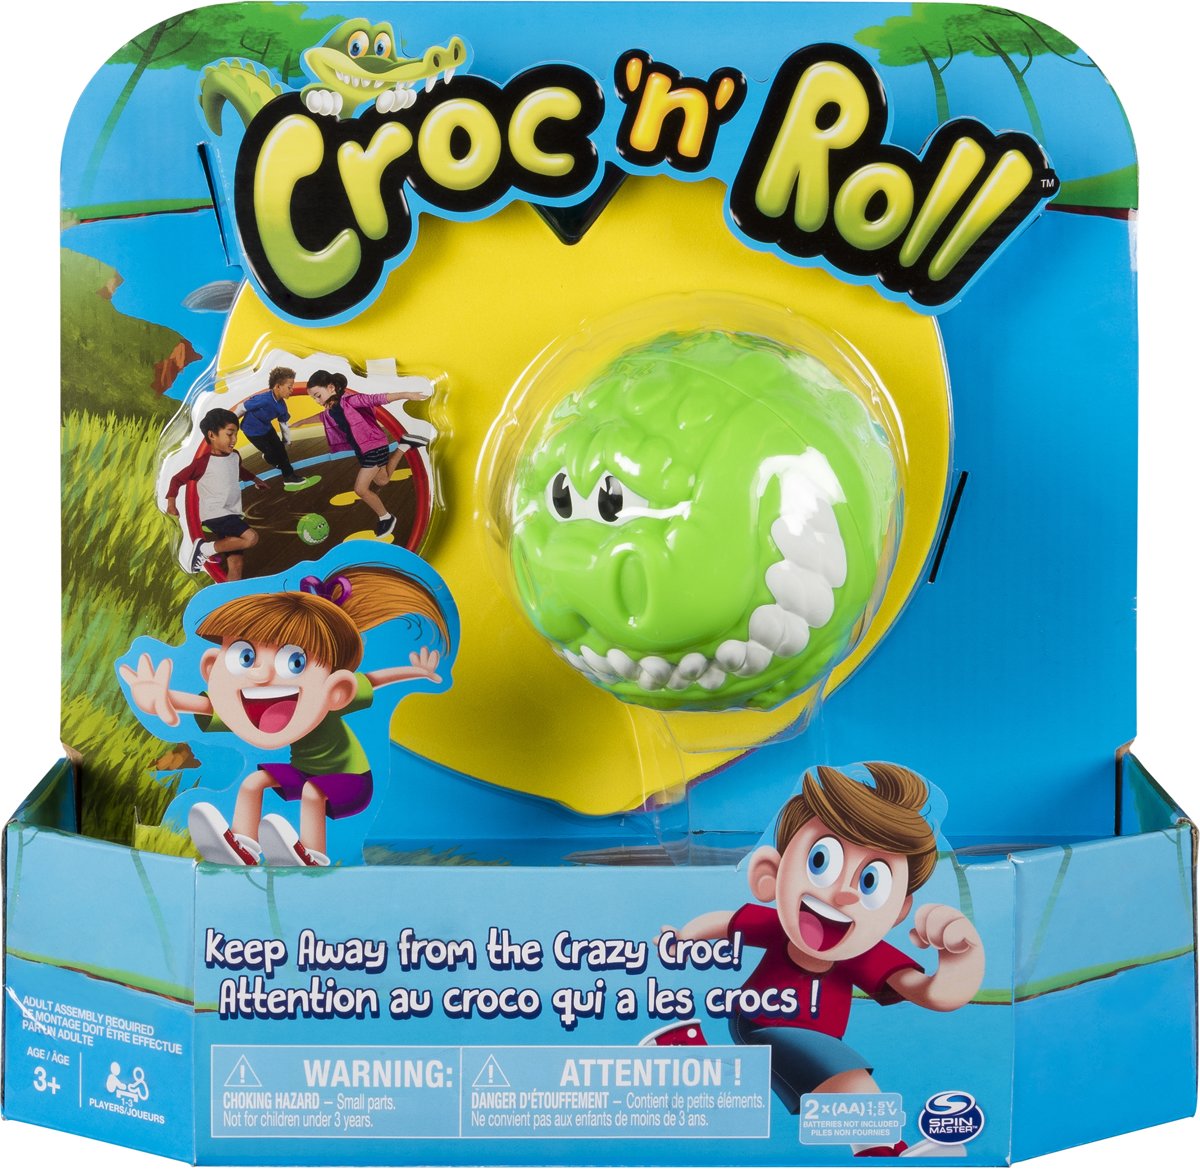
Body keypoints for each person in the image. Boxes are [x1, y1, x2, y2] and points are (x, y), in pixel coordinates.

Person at [661, 762, 984, 1157]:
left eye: (871, 881)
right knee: (852, 1083)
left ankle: (681, 1050)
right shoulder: (779, 927)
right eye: (821, 861)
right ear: (770, 874)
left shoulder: (863, 953)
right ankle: (887, 1151)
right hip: (762, 1021)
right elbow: (725, 923)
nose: (844, 893)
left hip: (818, 1039)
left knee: (830, 1096)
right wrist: (683, 939)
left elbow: (930, 993)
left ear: (898, 912)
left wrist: (961, 957)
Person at [118, 565, 450, 867]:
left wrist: (416, 672)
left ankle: (313, 855)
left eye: (294, 662)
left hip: (351, 781)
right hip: (305, 772)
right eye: (245, 656)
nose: (261, 675)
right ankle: (243, 845)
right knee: (255, 782)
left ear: (339, 690)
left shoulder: (329, 700)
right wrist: (162, 698)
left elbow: (374, 680)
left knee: (312, 793)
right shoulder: (263, 698)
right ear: (211, 667)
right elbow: (208, 706)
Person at [306, 369, 429, 538]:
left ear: (331, 387)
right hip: (363, 450)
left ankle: (386, 517)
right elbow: (322, 417)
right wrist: (301, 422)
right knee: (382, 480)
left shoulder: (350, 401)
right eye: (313, 398)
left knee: (360, 489)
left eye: (317, 395)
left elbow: (377, 398)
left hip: (373, 447)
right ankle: (404, 445)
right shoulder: (332, 408)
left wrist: (406, 394)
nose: (316, 400)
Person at [164, 408, 267, 580]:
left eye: (236, 434)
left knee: (236, 564)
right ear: (212, 435)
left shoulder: (235, 456)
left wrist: (255, 479)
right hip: (216, 514)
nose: (234, 439)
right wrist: (171, 504)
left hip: (232, 513)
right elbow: (177, 479)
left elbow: (238, 470)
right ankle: (204, 549)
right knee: (251, 538)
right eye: (229, 434)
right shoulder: (202, 463)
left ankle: (230, 596)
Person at [236, 366, 319, 490]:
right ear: (277, 386)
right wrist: (231, 421)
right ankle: (269, 457)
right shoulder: (263, 399)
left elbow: (283, 423)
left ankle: (289, 477)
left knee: (281, 449)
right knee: (271, 453)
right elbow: (242, 407)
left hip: (267, 428)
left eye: (292, 387)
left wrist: (287, 440)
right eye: (289, 387)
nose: (292, 390)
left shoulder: (281, 406)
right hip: (252, 432)